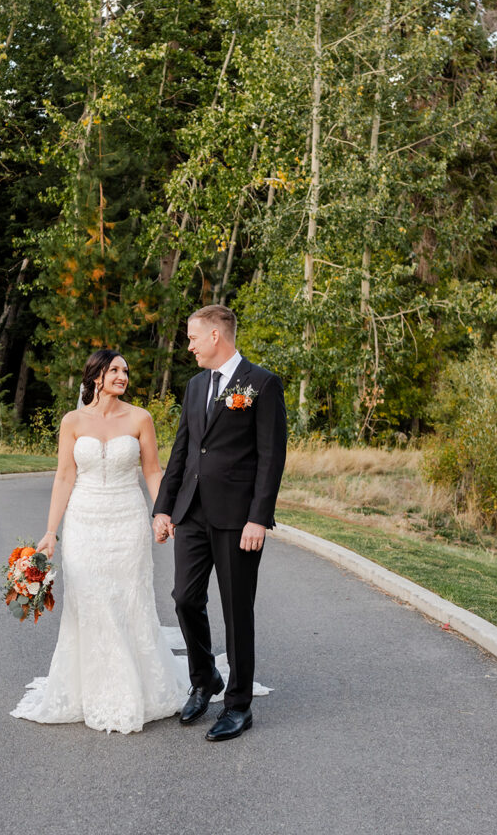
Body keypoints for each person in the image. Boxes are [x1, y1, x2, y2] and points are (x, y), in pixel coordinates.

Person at [10, 349, 184, 734]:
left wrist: (162, 513)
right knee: (89, 600)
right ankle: (92, 689)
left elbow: (153, 470)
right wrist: (51, 531)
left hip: (127, 520)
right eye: (115, 370)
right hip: (84, 523)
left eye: (126, 370)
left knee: (128, 600)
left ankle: (133, 688)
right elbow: (64, 476)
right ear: (96, 376)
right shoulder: (72, 422)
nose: (123, 376)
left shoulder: (140, 418)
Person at [152, 305, 287, 742]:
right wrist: (163, 507)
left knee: (236, 610)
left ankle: (238, 705)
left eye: (193, 338)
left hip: (237, 519)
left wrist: (258, 518)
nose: (189, 346)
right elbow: (183, 451)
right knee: (184, 598)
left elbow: (271, 457)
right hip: (191, 512)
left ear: (215, 335)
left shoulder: (262, 383)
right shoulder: (195, 386)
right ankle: (205, 677)